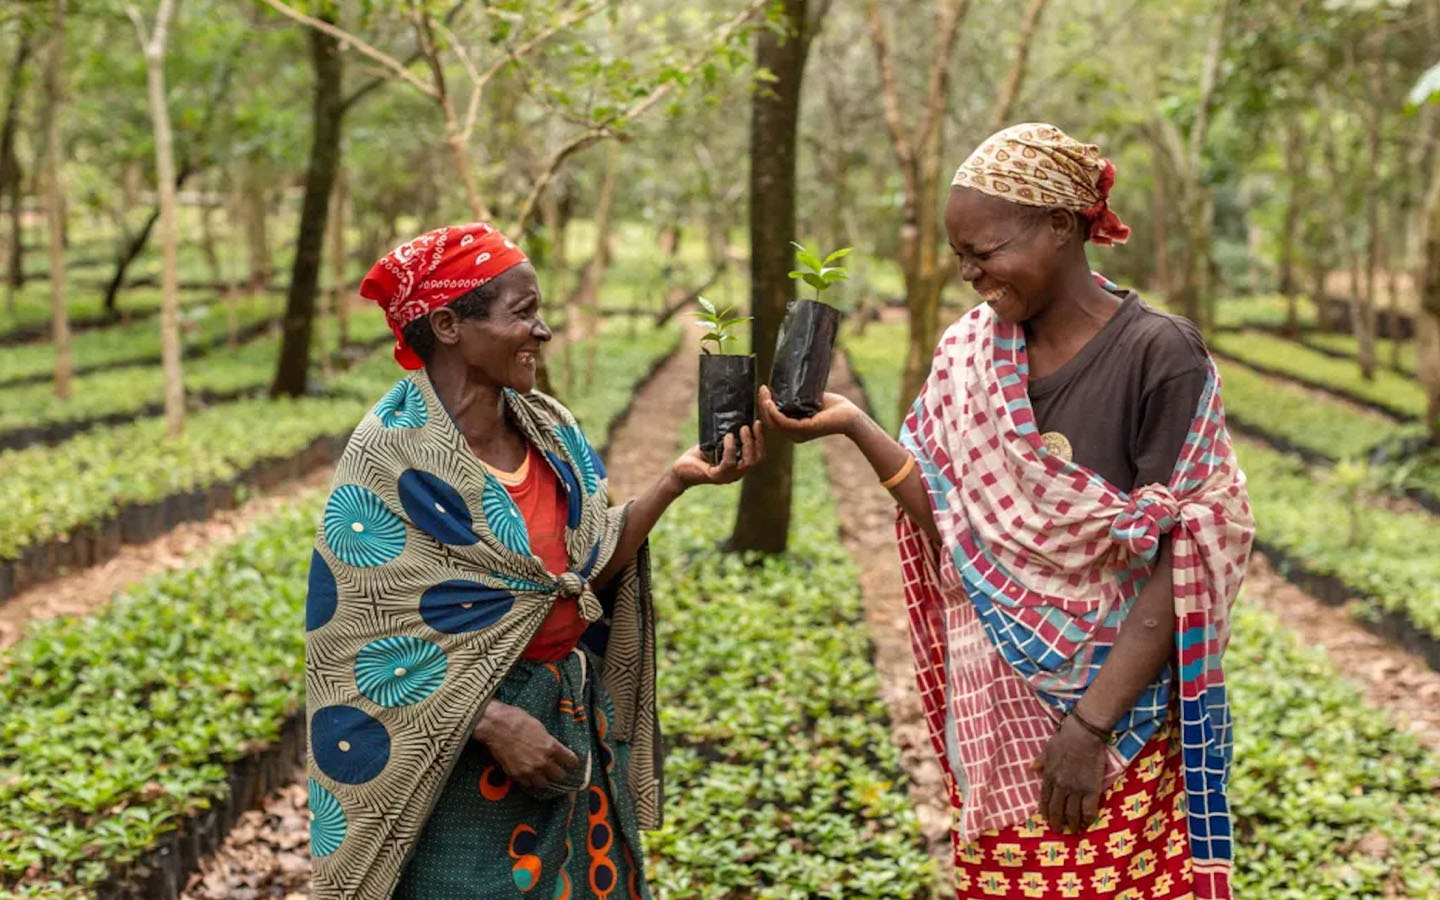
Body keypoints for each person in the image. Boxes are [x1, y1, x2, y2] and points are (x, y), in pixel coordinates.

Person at [760, 123, 1254, 900]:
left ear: (1061, 225)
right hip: (994, 721)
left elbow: (1186, 556)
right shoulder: (971, 355)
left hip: (1115, 724)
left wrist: (1088, 729)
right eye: (960, 255)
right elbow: (957, 530)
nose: (968, 273)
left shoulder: (1160, 354)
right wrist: (855, 424)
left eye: (984, 252)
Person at [304, 222, 764, 900]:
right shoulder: (390, 455)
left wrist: (675, 481)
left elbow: (583, 575)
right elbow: (353, 649)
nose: (542, 331)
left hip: (567, 729)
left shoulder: (550, 427)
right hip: (453, 772)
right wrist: (487, 720)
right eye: (523, 314)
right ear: (450, 324)